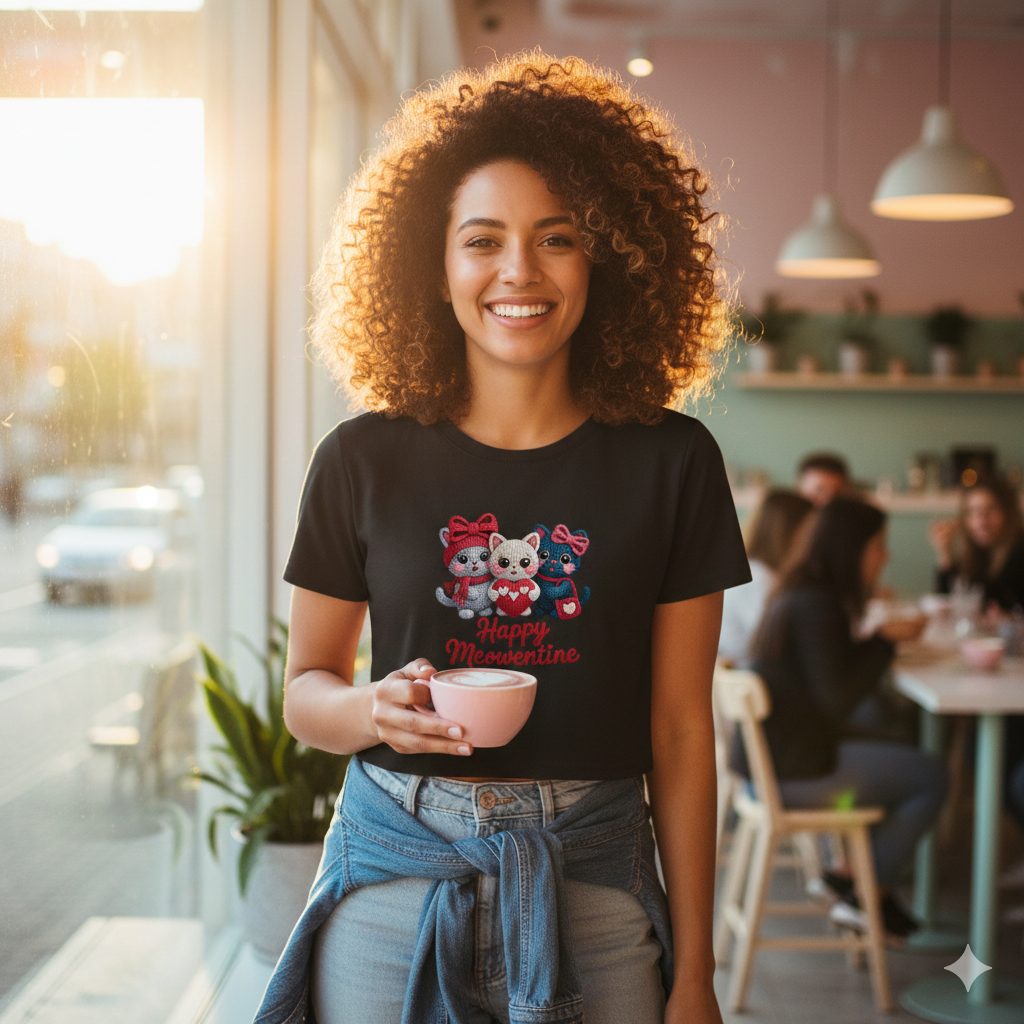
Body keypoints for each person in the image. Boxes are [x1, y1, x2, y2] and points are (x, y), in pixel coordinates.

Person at [255, 55, 751, 1024]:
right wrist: (372, 709)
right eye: (482, 240)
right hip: (394, 874)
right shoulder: (359, 457)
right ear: (430, 265)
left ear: (605, 257)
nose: (518, 271)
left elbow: (684, 732)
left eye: (555, 239)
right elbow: (305, 695)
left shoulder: (674, 460)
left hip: (596, 882)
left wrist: (695, 974)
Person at [731, 497, 946, 939]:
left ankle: (849, 876)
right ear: (853, 549)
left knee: (899, 740)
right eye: (879, 546)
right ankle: (865, 893)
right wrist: (884, 640)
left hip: (775, 762)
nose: (885, 557)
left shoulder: (800, 590)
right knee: (931, 777)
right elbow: (838, 699)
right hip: (789, 771)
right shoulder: (816, 603)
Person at [718, 488, 812, 667]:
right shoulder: (761, 578)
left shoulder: (748, 569)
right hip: (748, 674)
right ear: (788, 531)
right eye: (810, 530)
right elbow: (770, 643)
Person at [929, 474, 1024, 613]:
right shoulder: (977, 553)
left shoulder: (1019, 554)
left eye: (991, 509)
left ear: (1009, 512)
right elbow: (948, 601)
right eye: (972, 512)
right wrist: (945, 551)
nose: (981, 521)